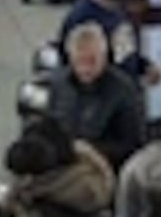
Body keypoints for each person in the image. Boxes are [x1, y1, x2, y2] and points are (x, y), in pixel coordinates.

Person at [45, 21, 148, 169]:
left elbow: (133, 144)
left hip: (105, 169)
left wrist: (89, 151)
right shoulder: (59, 84)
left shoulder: (124, 90)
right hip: (64, 166)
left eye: (92, 61)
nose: (86, 69)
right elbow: (50, 127)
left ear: (104, 57)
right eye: (80, 61)